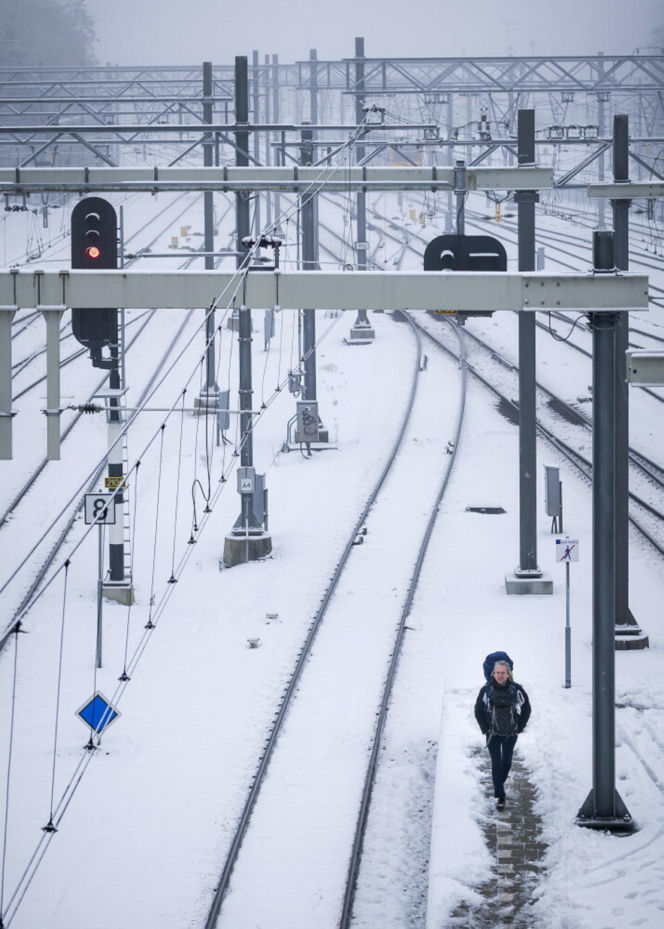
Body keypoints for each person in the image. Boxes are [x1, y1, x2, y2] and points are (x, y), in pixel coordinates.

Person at [474, 659, 531, 811]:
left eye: (503, 673)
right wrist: (485, 729)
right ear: (493, 673)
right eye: (497, 672)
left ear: (508, 674)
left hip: (511, 733)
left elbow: (527, 708)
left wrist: (519, 727)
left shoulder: (516, 689)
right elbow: (478, 710)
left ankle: (499, 783)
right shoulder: (486, 690)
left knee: (506, 763)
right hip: (493, 733)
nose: (500, 675)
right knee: (496, 763)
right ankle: (500, 796)